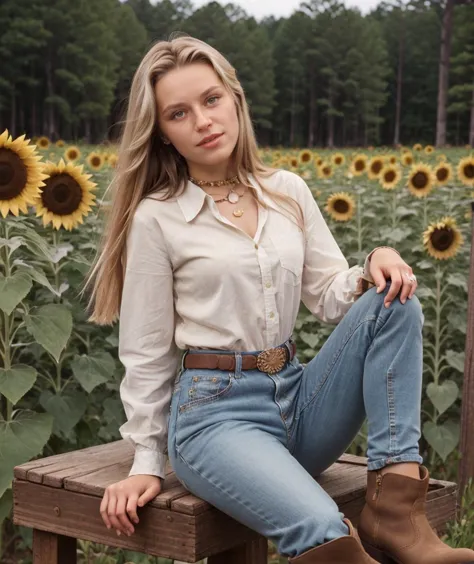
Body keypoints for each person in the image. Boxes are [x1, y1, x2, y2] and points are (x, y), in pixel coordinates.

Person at [82, 33, 474, 564]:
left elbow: (332, 294)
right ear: (164, 134)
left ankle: (396, 512)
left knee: (393, 301)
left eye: (211, 99)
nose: (202, 120)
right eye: (178, 113)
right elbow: (146, 350)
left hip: (298, 400)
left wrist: (375, 261)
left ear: (236, 99)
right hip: (215, 419)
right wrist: (146, 462)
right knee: (321, 527)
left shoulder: (287, 190)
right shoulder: (158, 216)